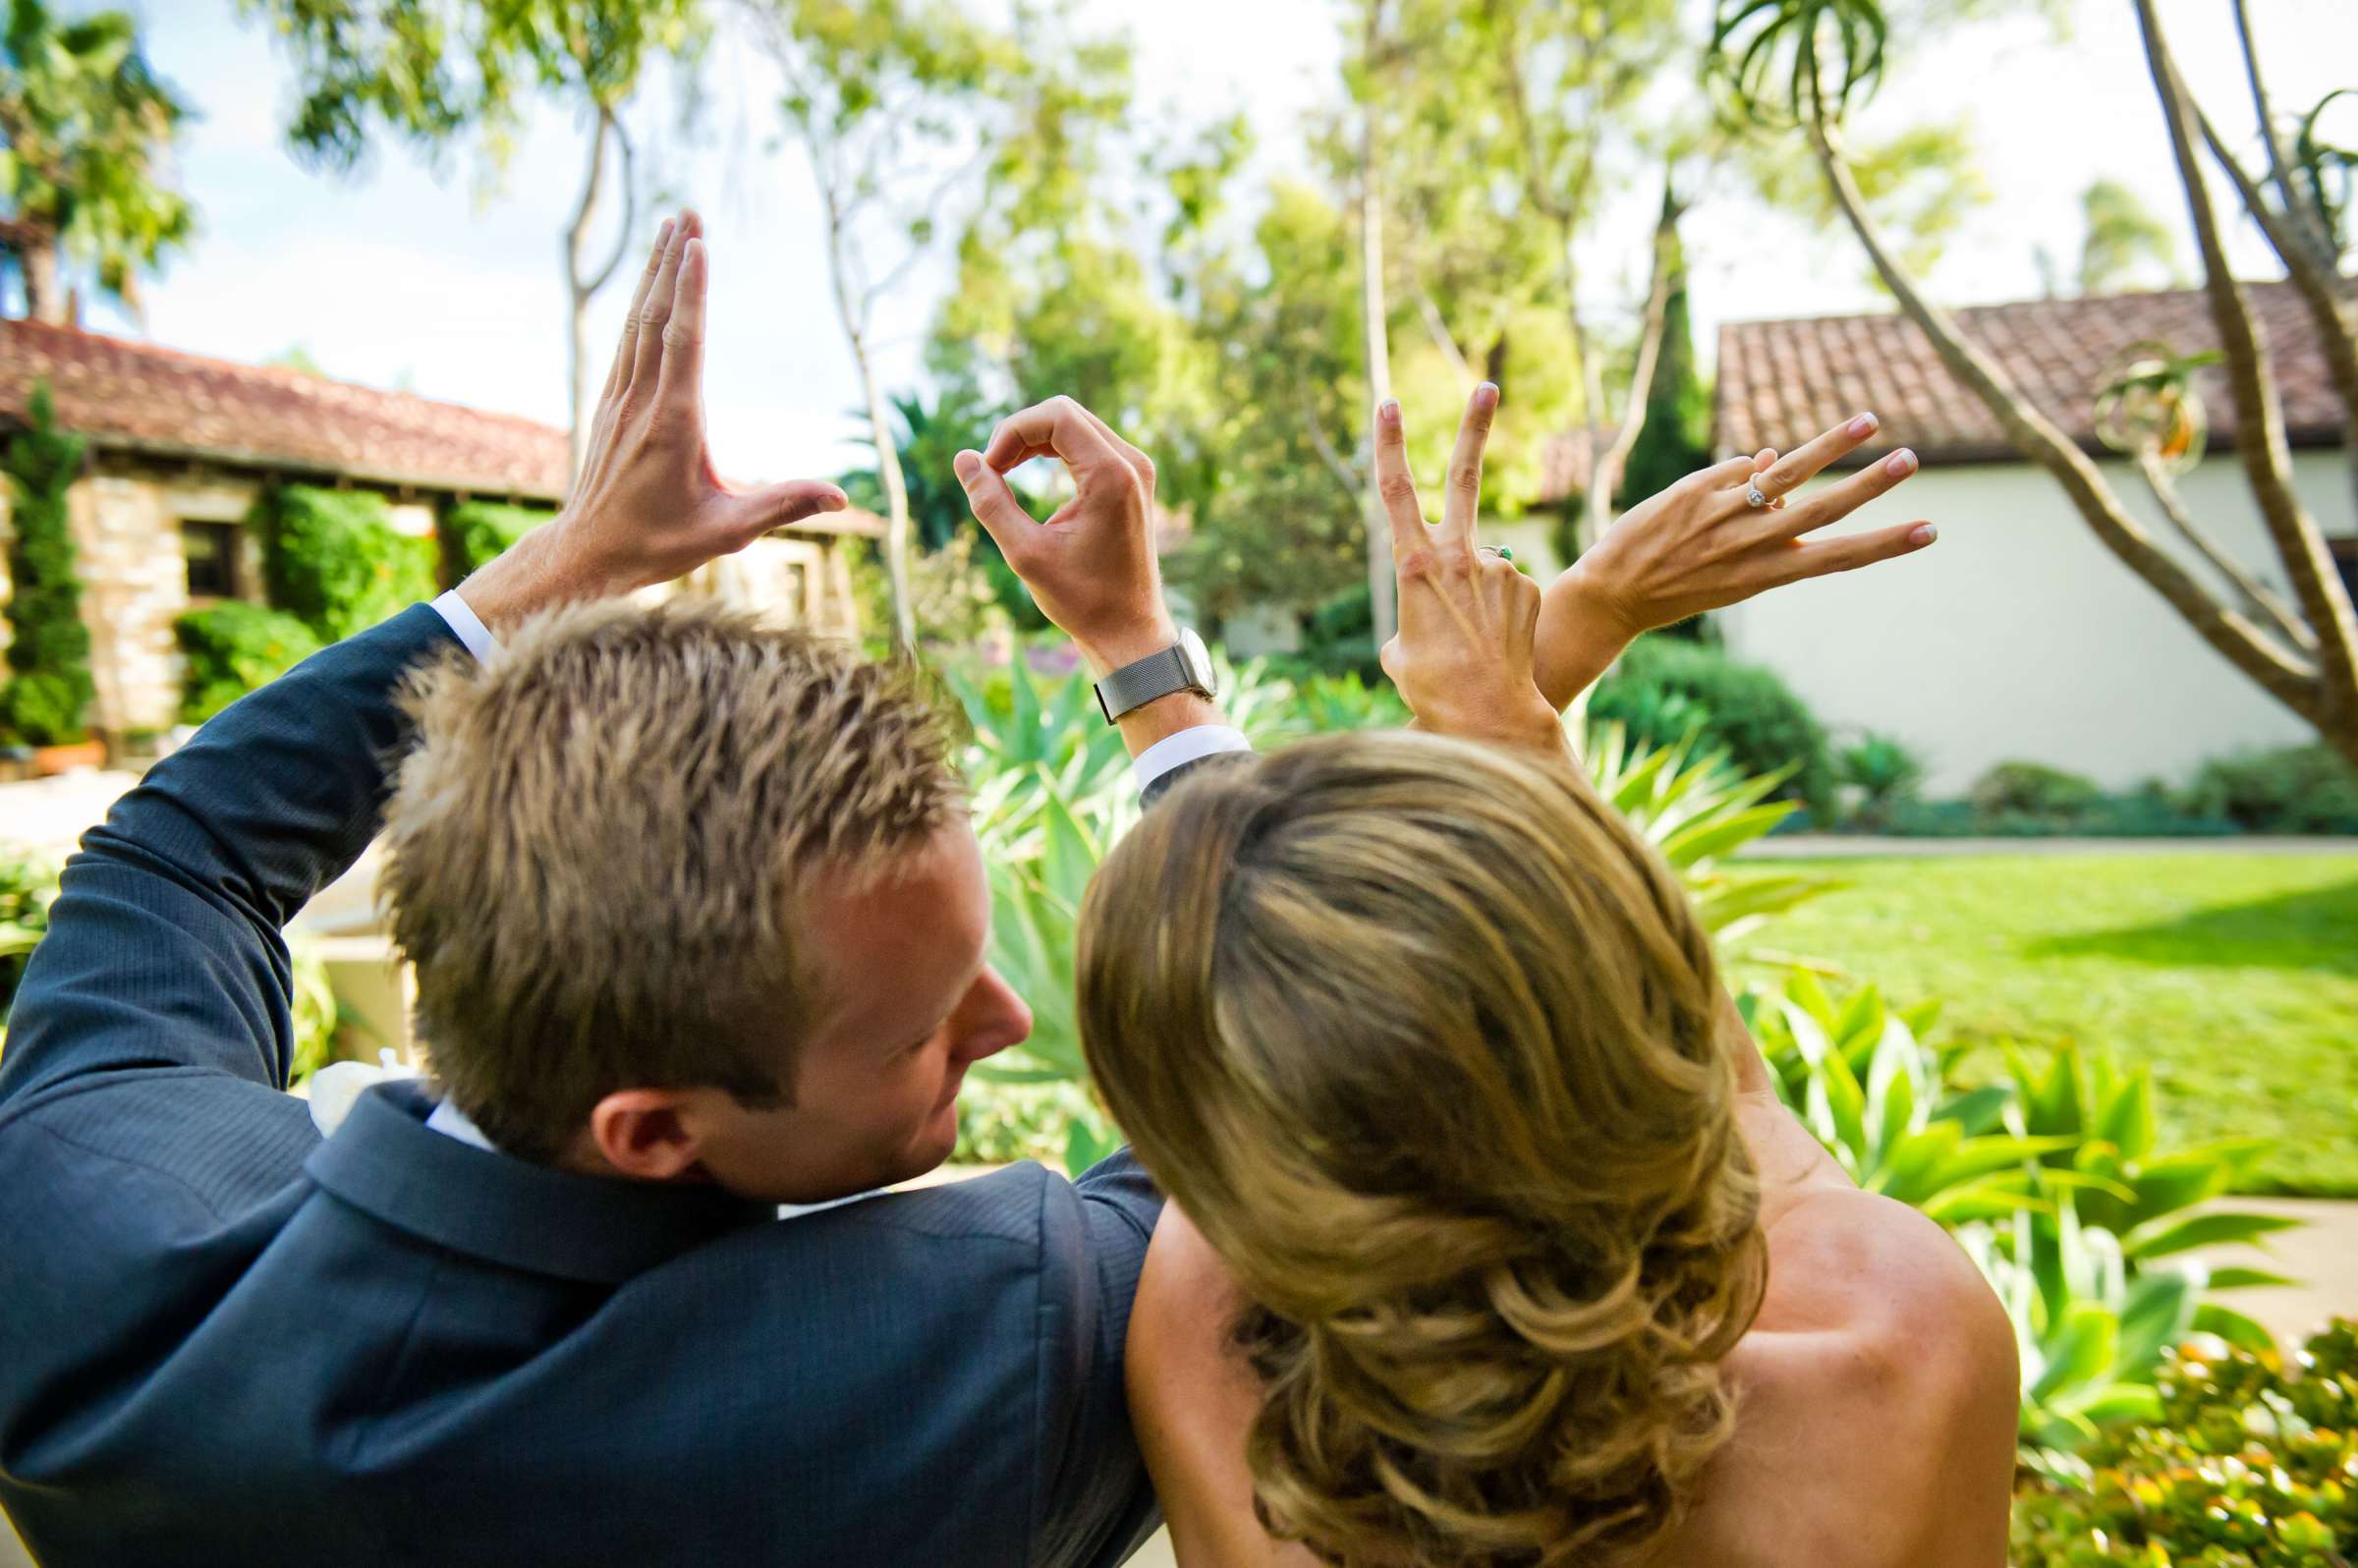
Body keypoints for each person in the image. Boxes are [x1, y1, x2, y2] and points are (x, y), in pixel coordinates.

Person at [0, 201, 1939, 1563]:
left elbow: (176, 854)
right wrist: (1182, 666)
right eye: (933, 1023)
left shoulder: (78, 1234)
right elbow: (1341, 1066)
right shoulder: (986, 1359)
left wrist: (559, 566)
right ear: (655, 1128)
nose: (1011, 1019)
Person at [1079, 391, 2021, 1568]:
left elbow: (1266, 969)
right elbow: (1727, 1100)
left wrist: (1132, 648)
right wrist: (1545, 666)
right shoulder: (1901, 1346)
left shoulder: (1206, 1354)